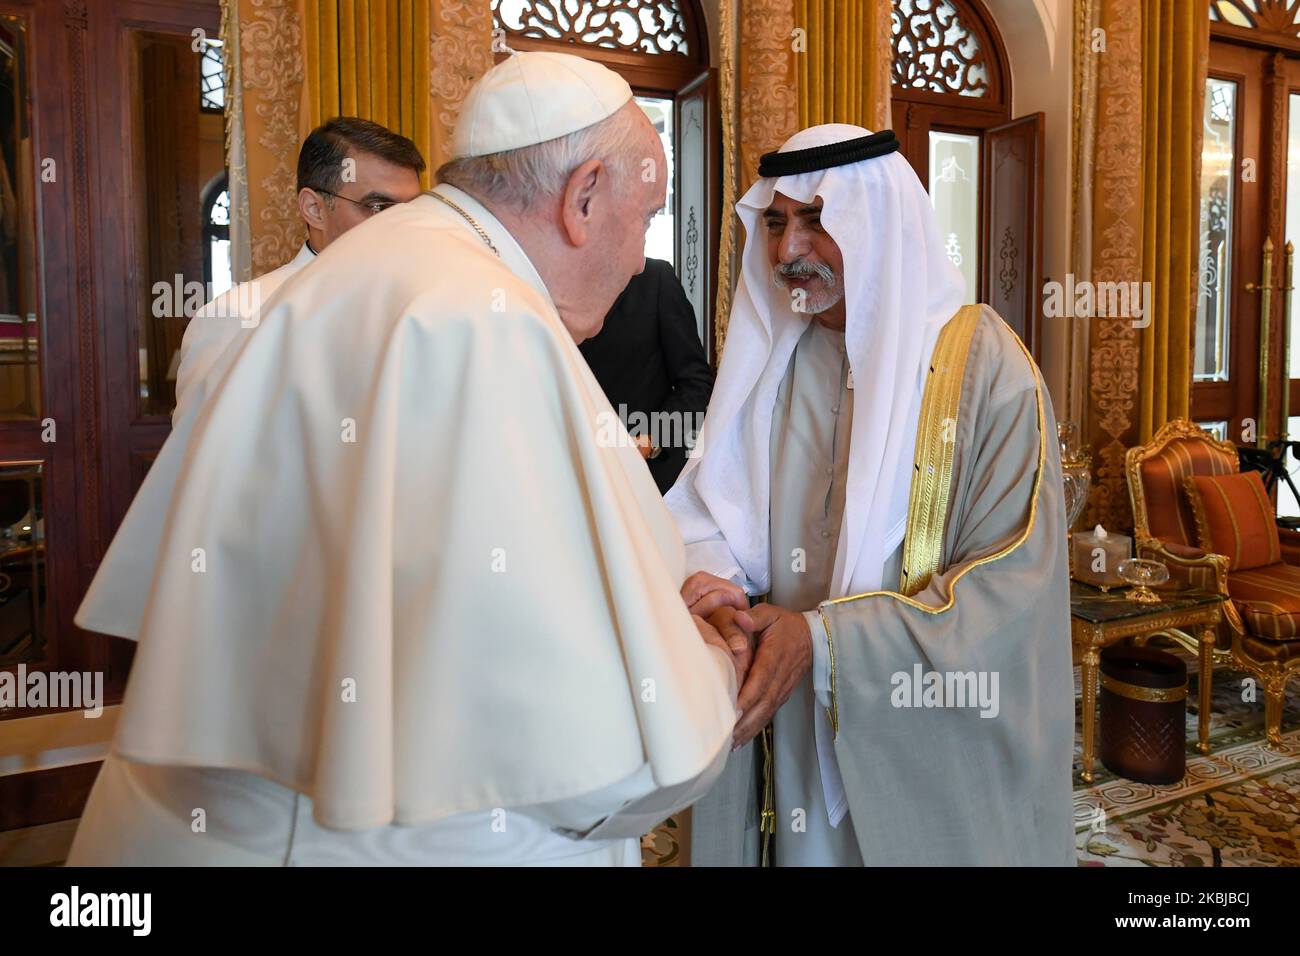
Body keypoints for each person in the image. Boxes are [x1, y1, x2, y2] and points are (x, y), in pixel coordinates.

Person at [69, 52, 739, 867]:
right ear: (584, 195)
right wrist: (710, 663)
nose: (640, 260)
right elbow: (599, 763)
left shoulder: (384, 269)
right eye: (647, 216)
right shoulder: (480, 320)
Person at [668, 124, 1075, 866]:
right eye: (775, 222)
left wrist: (823, 643)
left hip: (913, 742)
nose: (790, 250)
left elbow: (1012, 592)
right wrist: (718, 587)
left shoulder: (984, 370)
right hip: (782, 724)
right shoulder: (772, 357)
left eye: (818, 220)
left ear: (879, 223)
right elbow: (710, 516)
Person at [173, 116, 426, 422]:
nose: (403, 226)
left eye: (412, 210)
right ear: (314, 209)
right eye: (377, 207)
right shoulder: (238, 319)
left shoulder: (423, 311)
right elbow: (204, 459)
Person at [579, 258, 714, 493]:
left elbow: (696, 383)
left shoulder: (655, 279)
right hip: (579, 475)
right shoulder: (546, 285)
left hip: (649, 475)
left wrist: (651, 439)